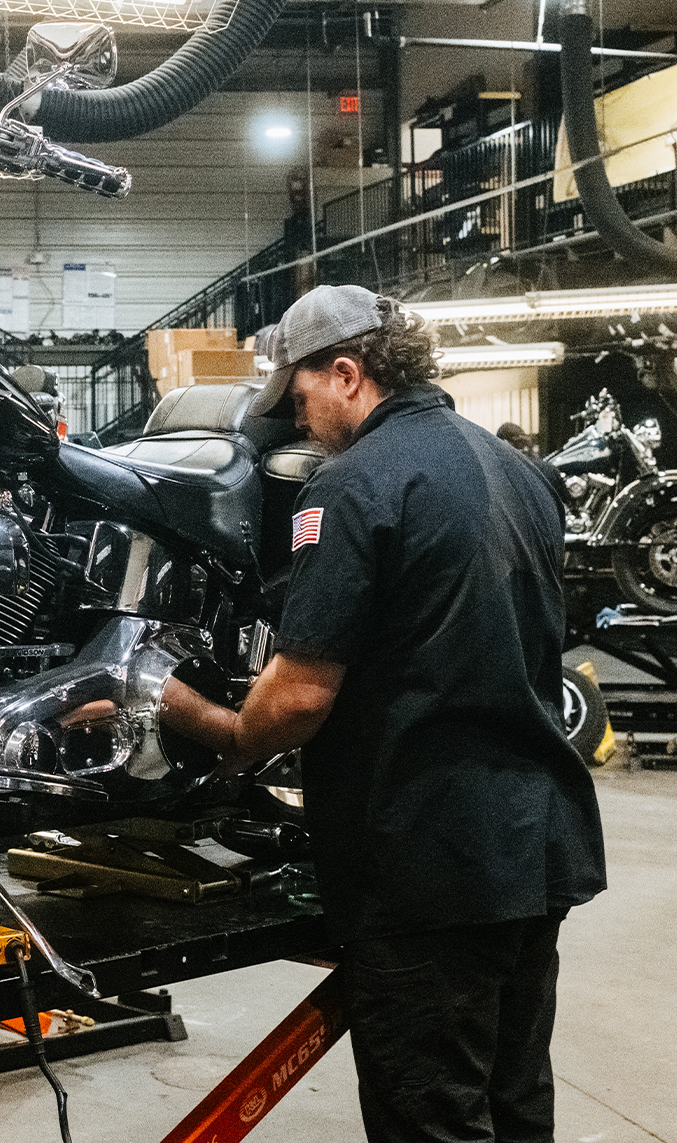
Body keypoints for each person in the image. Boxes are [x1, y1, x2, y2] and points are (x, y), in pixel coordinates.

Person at [161, 285, 606, 1143]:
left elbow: (295, 699)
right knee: (514, 1105)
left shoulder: (351, 485)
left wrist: (197, 717)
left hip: (426, 862)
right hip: (531, 846)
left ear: (347, 373)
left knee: (431, 1119)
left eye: (301, 399)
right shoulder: (523, 472)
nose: (301, 421)